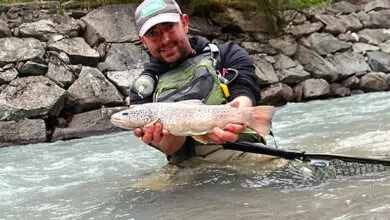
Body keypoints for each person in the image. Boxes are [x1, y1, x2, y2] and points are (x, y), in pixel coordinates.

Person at [131, 0, 265, 166]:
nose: (164, 39)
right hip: (185, 165)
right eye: (152, 34)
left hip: (244, 149)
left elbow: (245, 92)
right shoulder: (142, 89)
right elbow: (171, 148)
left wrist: (236, 120)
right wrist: (165, 136)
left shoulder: (228, 53)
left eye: (169, 27)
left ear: (185, 23)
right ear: (143, 40)